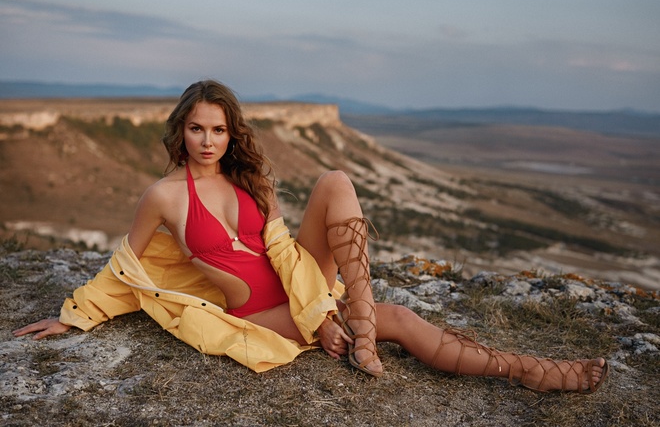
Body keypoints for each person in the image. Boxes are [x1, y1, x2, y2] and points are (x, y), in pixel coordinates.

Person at [13, 80, 608, 392]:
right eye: (197, 128)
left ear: (230, 132)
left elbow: (280, 251)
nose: (208, 140)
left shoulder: (249, 182)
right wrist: (74, 316)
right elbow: (127, 268)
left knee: (336, 179)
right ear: (180, 131)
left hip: (297, 280)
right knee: (397, 316)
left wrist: (325, 307)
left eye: (219, 129)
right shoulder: (164, 197)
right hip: (259, 310)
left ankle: (364, 329)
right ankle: (526, 369)